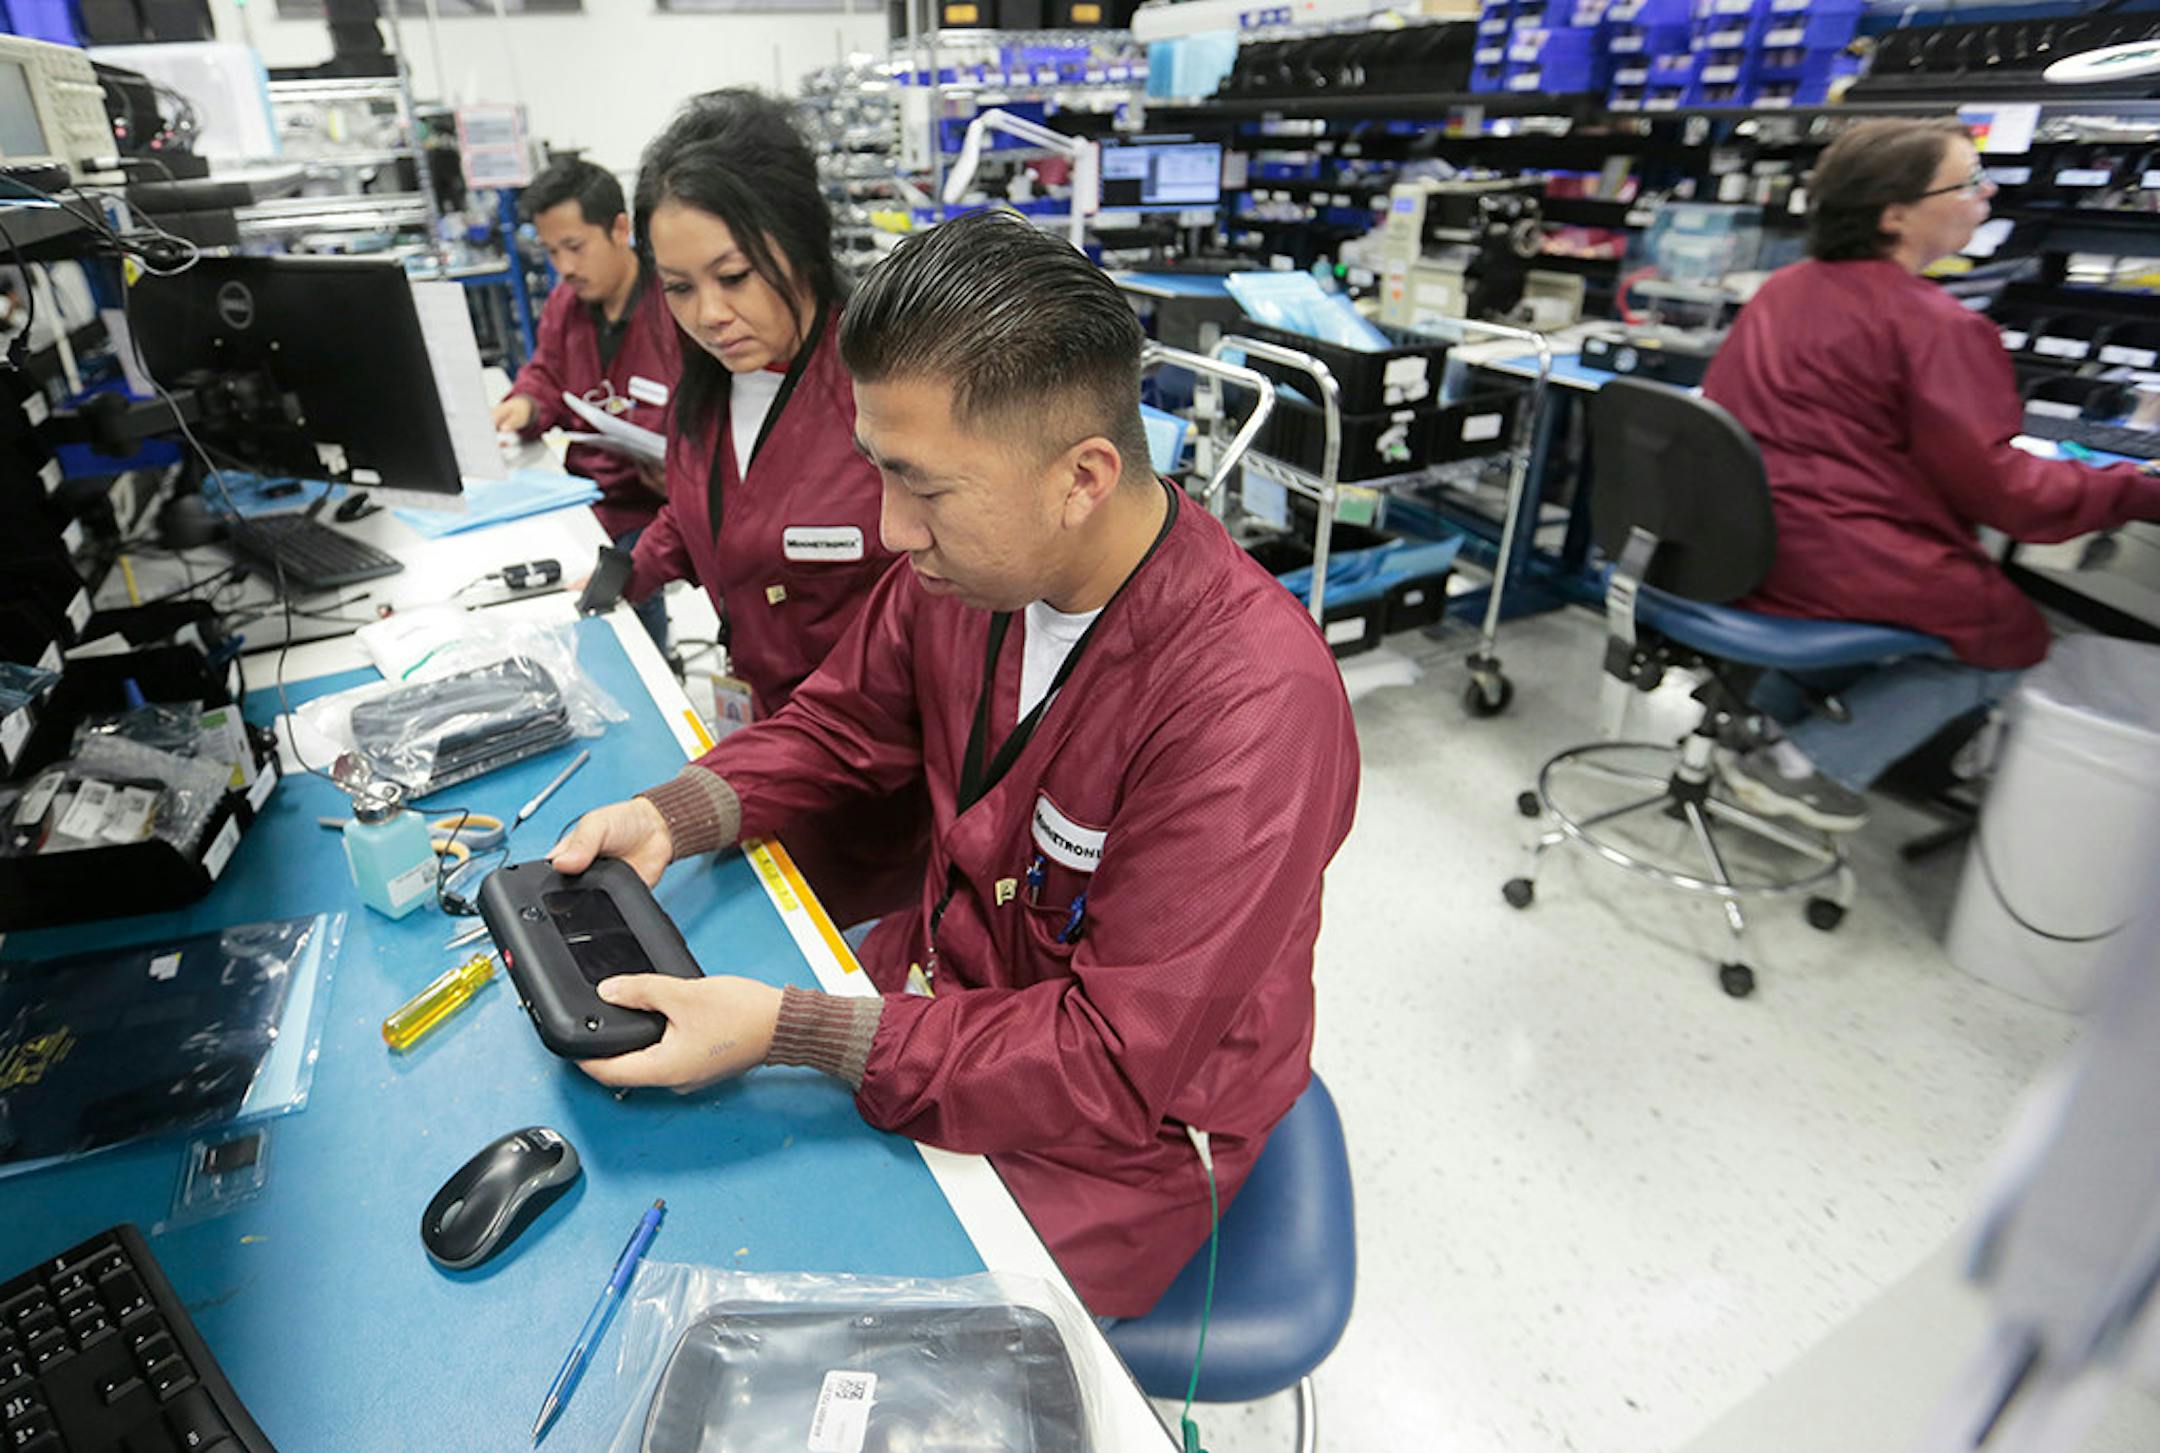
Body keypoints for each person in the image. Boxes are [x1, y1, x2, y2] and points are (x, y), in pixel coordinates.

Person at [547, 210, 1362, 1320]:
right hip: (944, 984)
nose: (891, 530)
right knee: (687, 1180)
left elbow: (1111, 1062)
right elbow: (838, 724)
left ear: (1082, 478)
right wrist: (679, 814)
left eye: (923, 489)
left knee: (802, 1324)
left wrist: (798, 1031)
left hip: (1118, 1138)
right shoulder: (974, 580)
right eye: (878, 473)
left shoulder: (1251, 705)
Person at [1701, 117, 2160, 832]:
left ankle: (1764, 728)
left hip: (1743, 543)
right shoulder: (1937, 326)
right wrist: (2140, 489)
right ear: (1895, 214)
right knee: (2010, 634)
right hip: (1838, 558)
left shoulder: (1786, 289)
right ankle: (1803, 766)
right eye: (1970, 183)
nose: (1987, 194)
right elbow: (2011, 495)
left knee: (1918, 610)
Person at [622, 91, 921, 925]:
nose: (709, 315)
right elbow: (709, 509)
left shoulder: (883, 395)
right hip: (758, 757)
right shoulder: (712, 385)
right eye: (679, 287)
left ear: (799, 241)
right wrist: (630, 568)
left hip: (877, 795)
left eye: (733, 277)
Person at [493, 156, 681, 650]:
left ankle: (651, 659)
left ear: (620, 229)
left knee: (620, 603)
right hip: (583, 494)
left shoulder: (675, 308)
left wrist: (679, 468)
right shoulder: (566, 304)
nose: (565, 268)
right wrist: (526, 405)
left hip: (651, 508)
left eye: (575, 247)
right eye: (552, 252)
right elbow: (547, 375)